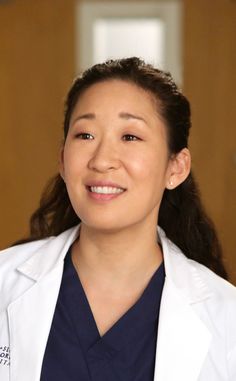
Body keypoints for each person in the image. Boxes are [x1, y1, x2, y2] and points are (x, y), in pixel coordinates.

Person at [0, 57, 235, 381]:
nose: (102, 160)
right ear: (62, 160)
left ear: (176, 168)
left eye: (130, 137)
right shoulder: (5, 284)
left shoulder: (226, 318)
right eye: (85, 135)